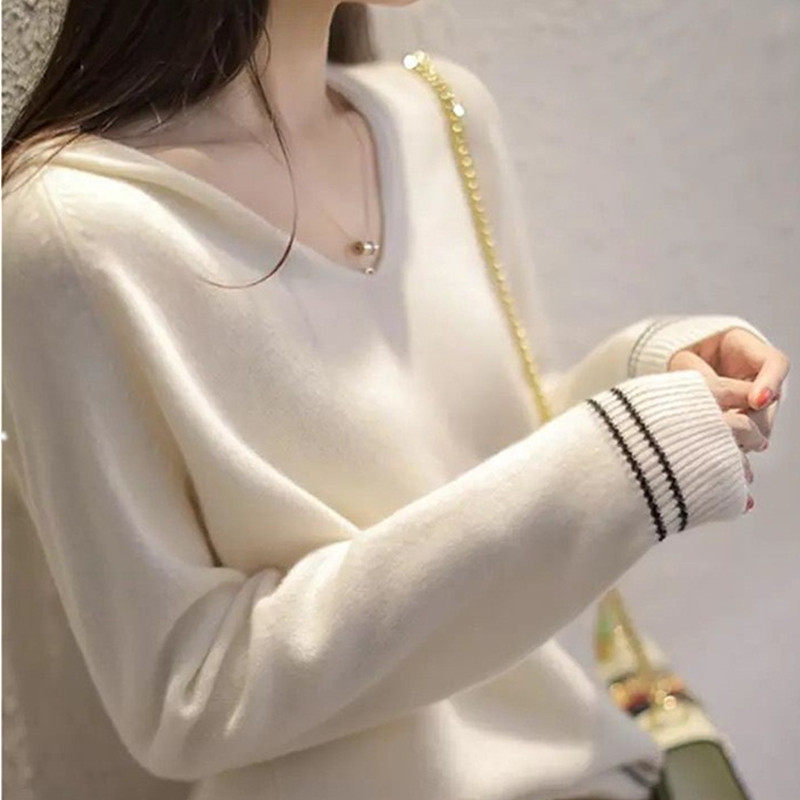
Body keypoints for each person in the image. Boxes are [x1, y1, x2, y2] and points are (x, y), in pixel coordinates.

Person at [1, 1, 790, 799]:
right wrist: (618, 459)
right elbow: (188, 693)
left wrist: (650, 374)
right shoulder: (73, 229)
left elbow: (496, 448)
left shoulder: (441, 112)